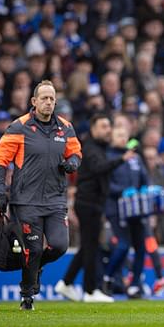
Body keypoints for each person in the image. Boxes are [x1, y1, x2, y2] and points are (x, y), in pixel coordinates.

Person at [0, 80, 82, 311]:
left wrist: (72, 163)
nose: (49, 102)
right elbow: (0, 160)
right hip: (25, 201)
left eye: (52, 98)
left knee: (60, 246)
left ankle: (36, 268)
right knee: (33, 249)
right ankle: (27, 295)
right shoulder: (18, 127)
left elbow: (76, 153)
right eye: (44, 98)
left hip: (55, 200)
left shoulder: (65, 127)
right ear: (34, 101)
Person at [55, 114, 135, 303]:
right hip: (88, 203)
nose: (108, 130)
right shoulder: (90, 148)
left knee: (88, 247)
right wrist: (122, 159)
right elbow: (100, 167)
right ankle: (90, 291)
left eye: (109, 126)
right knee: (92, 248)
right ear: (93, 128)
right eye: (104, 126)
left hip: (93, 203)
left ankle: (66, 283)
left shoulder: (99, 147)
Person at [102, 124, 149, 299]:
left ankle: (135, 285)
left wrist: (144, 189)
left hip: (136, 208)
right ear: (112, 137)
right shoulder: (109, 157)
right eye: (119, 135)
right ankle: (107, 278)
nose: (122, 138)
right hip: (116, 208)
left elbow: (145, 178)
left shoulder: (135, 158)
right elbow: (107, 183)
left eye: (125, 135)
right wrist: (122, 191)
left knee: (141, 247)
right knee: (123, 244)